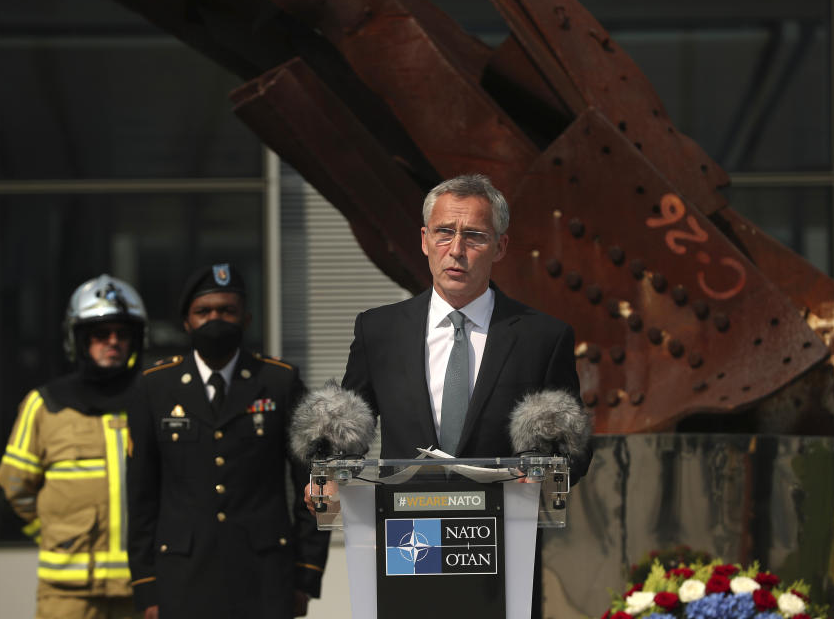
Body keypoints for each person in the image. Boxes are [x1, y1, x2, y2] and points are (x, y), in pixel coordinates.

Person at [334, 174, 587, 619]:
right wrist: (325, 473)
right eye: (444, 232)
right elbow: (346, 427)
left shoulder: (542, 337)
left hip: (499, 553)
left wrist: (547, 474)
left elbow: (573, 448)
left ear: (501, 248)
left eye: (474, 236)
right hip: (407, 543)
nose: (457, 249)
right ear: (424, 240)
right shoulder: (379, 330)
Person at [126, 263, 328, 619]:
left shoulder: (280, 381)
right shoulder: (154, 386)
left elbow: (317, 483)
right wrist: (146, 586)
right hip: (182, 580)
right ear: (186, 321)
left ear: (246, 319)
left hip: (266, 579)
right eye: (203, 312)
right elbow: (141, 499)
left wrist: (307, 575)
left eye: (227, 311)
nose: (215, 319)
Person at [0, 274, 147, 619]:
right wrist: (51, 533)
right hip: (68, 594)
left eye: (123, 334)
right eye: (100, 334)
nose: (112, 342)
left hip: (143, 589)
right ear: (77, 339)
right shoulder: (44, 404)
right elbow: (14, 485)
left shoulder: (156, 401)